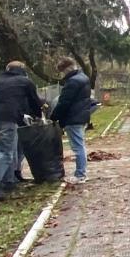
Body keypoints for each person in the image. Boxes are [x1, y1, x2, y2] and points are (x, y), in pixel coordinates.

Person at [0, 61, 42, 199]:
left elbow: (7, 100)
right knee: (5, 152)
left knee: (4, 151)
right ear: (23, 71)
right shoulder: (25, 82)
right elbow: (34, 102)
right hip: (7, 119)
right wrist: (38, 116)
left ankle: (8, 182)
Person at [50, 56, 98, 185]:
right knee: (79, 145)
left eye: (62, 71)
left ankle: (80, 174)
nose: (61, 75)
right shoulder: (83, 78)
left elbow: (64, 102)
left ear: (66, 69)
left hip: (73, 117)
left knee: (78, 147)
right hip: (80, 116)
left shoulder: (73, 82)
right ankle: (81, 173)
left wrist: (53, 117)